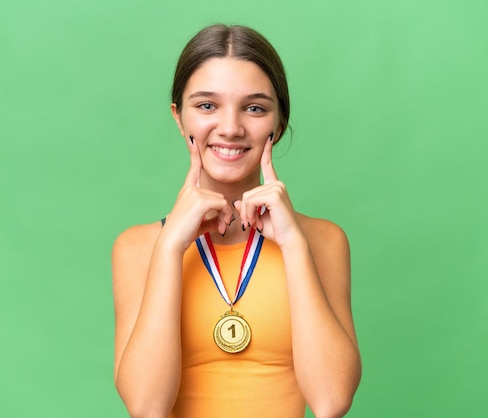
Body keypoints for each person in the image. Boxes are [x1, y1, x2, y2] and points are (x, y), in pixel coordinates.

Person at [112, 24, 361, 418]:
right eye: (207, 105)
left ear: (278, 124)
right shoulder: (139, 247)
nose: (230, 128)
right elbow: (146, 407)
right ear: (180, 118)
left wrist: (294, 246)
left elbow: (331, 402)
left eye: (255, 107)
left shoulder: (322, 240)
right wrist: (170, 248)